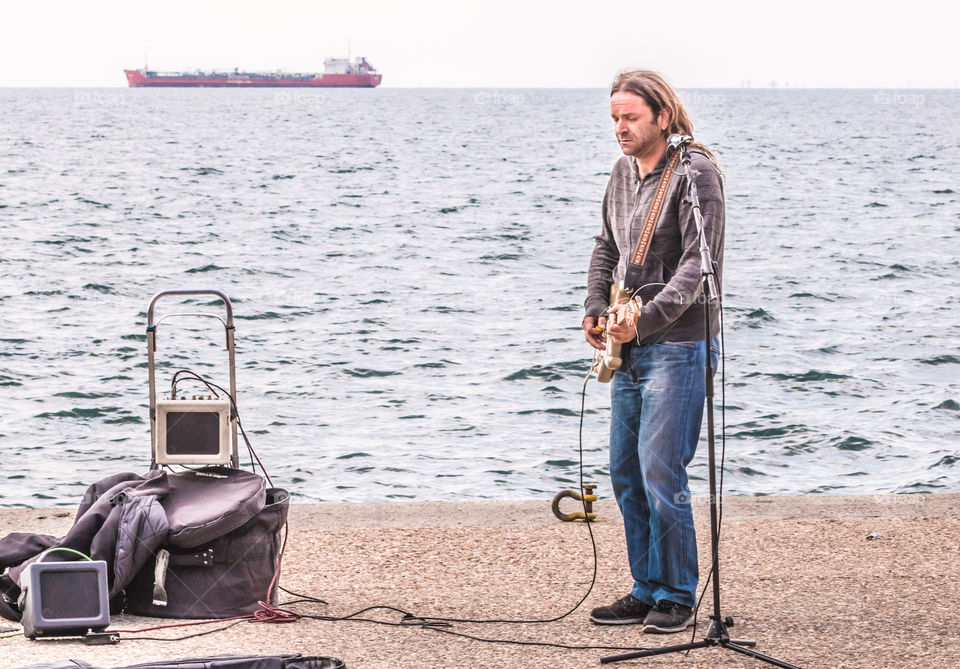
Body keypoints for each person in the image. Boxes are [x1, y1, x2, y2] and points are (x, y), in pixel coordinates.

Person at [582, 70, 724, 634]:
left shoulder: (696, 174)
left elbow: (698, 263)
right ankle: (645, 588)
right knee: (625, 472)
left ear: (663, 116)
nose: (620, 127)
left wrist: (647, 318)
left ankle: (678, 594)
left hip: (680, 344)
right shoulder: (621, 173)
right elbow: (606, 247)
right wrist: (596, 308)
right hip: (630, 346)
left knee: (662, 471)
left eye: (631, 117)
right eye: (615, 117)